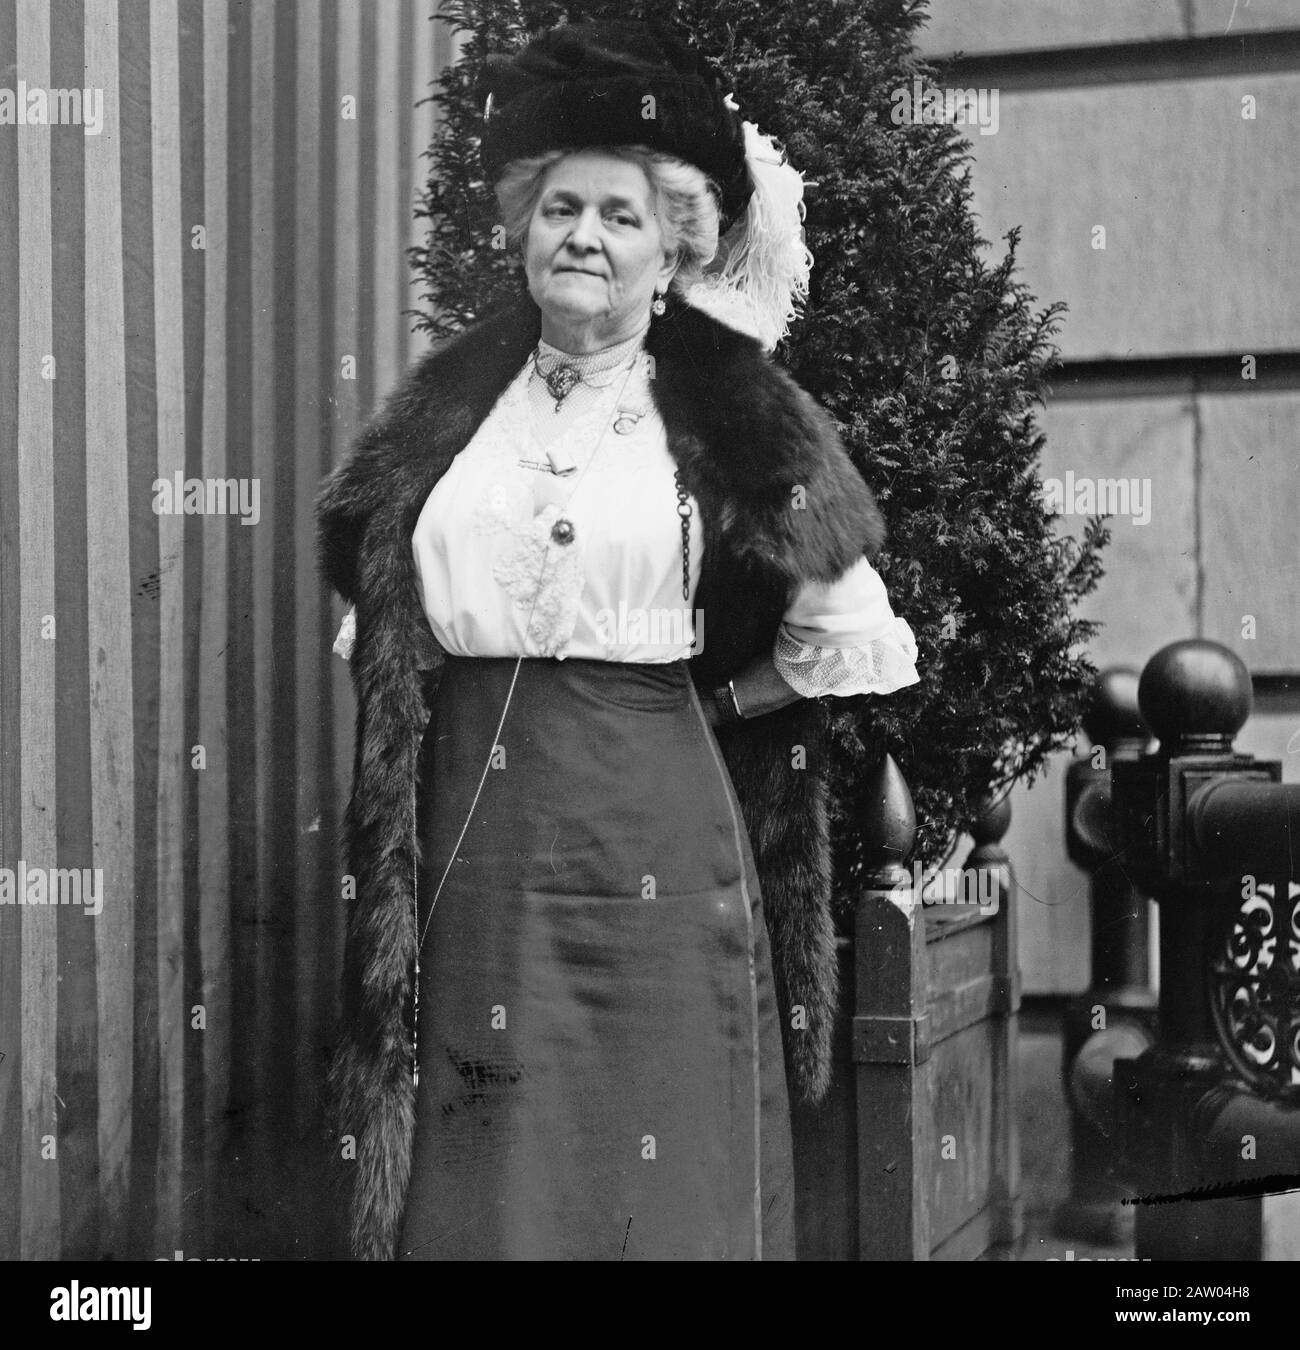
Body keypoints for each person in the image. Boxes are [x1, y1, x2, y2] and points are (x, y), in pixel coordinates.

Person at [317, 18, 919, 1262]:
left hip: (652, 828)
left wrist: (704, 714)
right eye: (559, 207)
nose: (582, 235)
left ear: (674, 248)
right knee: (488, 1155)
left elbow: (839, 632)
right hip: (470, 839)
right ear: (523, 226)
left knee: (652, 1156)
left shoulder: (737, 416)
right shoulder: (445, 415)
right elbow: (384, 624)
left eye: (620, 215)